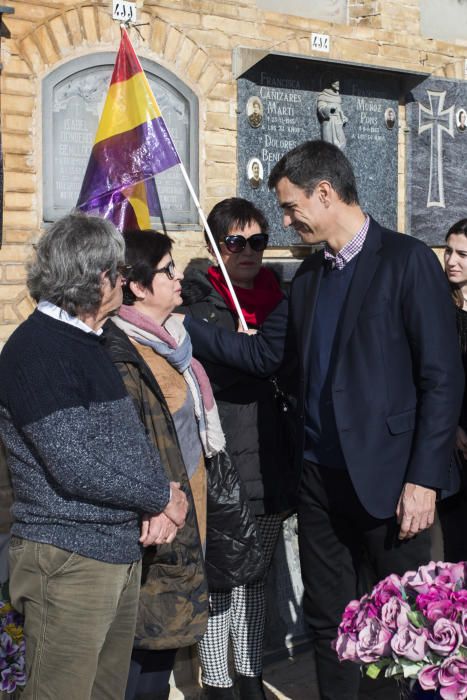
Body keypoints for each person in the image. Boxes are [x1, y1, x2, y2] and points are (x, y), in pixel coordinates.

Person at [182, 141, 464, 700]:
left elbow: (442, 379)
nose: (285, 222)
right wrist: (182, 330)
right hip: (318, 482)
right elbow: (265, 356)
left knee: (395, 629)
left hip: (393, 486)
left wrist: (424, 478)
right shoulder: (309, 276)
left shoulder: (407, 261)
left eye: (290, 208)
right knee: (329, 622)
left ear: (326, 193)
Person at [0, 213, 188, 700]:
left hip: (112, 551)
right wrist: (158, 496)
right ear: (98, 278)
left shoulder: (91, 339)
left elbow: (125, 438)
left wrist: (166, 495)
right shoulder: (37, 350)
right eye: (120, 274)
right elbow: (73, 461)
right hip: (68, 561)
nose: (125, 284)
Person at [180, 198, 294, 700]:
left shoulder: (280, 301)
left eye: (257, 242)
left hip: (271, 460)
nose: (249, 252)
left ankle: (250, 677)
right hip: (224, 466)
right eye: (235, 242)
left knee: (256, 576)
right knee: (223, 580)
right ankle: (218, 685)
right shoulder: (196, 310)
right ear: (213, 246)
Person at [103, 229, 210, 700]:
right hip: (156, 526)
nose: (179, 275)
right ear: (139, 286)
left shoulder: (175, 339)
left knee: (164, 648)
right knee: (142, 658)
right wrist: (158, 502)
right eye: (168, 269)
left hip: (190, 517)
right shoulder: (124, 351)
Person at [438, 219, 467, 562]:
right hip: (450, 440)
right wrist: (454, 427)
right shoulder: (437, 305)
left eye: (462, 253)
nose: (451, 260)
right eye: (448, 251)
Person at [317, 80, 348, 149]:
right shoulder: (323, 95)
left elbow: (339, 110)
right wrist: (329, 108)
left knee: (341, 143)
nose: (338, 85)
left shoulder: (338, 96)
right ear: (331, 84)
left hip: (338, 122)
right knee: (328, 145)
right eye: (336, 83)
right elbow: (320, 109)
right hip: (329, 122)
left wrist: (343, 117)